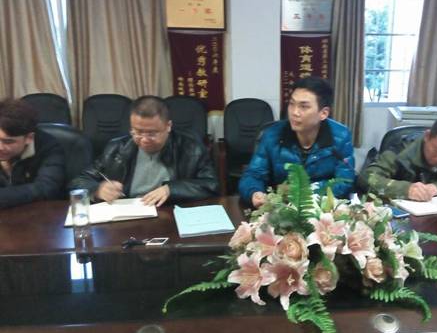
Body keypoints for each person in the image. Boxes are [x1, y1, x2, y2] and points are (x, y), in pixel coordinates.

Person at [69, 95, 218, 206]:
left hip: (170, 211)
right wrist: (97, 189)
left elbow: (211, 185)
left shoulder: (190, 148)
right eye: (138, 132)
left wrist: (171, 190)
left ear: (168, 126)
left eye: (152, 133)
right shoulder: (116, 148)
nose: (144, 140)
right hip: (128, 213)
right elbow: (78, 181)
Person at [239, 76, 355, 208]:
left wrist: (304, 193)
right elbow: (253, 174)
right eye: (292, 104)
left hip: (324, 208)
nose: (294, 112)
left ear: (323, 113)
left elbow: (345, 180)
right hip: (281, 209)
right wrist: (254, 193)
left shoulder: (340, 136)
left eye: (304, 107)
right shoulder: (272, 135)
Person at [0, 98, 65, 208]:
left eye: (8, 142)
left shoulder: (49, 146)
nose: (0, 147)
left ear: (29, 138)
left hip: (39, 213)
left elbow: (47, 188)